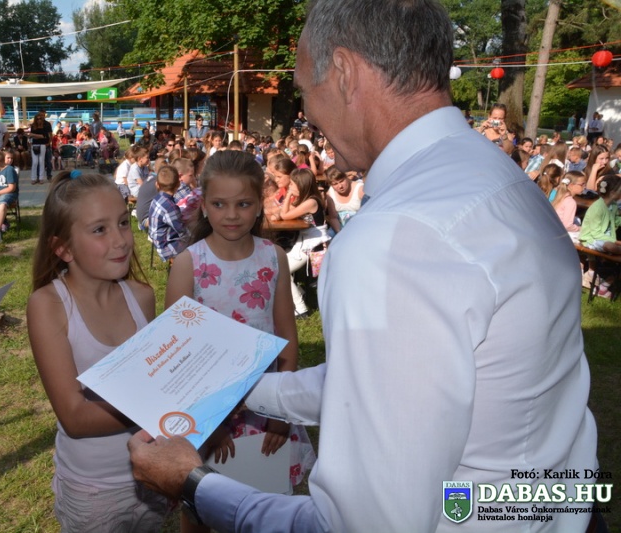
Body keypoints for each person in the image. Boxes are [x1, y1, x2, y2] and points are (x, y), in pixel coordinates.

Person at [128, 1, 599, 532]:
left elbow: (362, 522)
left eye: (305, 90)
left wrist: (195, 485)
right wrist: (243, 391)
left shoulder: (393, 239)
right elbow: (387, 380)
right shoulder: (501, 178)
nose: (307, 114)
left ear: (345, 73)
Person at [164, 150, 315, 530]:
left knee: (269, 509)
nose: (231, 215)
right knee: (199, 509)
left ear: (259, 203)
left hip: (267, 410)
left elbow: (286, 335)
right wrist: (207, 424)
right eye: (219, 204)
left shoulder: (273, 257)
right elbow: (175, 354)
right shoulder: (188, 264)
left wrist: (282, 412)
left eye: (243, 204)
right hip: (207, 412)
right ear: (203, 205)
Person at [26, 170, 169, 532]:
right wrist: (167, 400)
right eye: (99, 230)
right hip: (93, 490)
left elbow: (154, 375)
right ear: (63, 248)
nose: (121, 240)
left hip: (151, 474)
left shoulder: (142, 297)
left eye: (122, 222)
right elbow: (75, 417)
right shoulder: (49, 306)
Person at [272, 167, 330, 318]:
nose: (290, 186)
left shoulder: (311, 201)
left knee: (281, 271)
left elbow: (285, 215)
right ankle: (300, 292)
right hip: (303, 243)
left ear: (301, 185)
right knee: (279, 267)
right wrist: (281, 210)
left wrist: (288, 194)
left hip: (313, 246)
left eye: (292, 184)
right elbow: (284, 211)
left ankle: (301, 309)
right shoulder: (305, 200)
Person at [579, 174, 621, 299]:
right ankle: (603, 284)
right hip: (591, 239)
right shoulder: (597, 207)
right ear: (613, 193)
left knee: (611, 246)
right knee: (610, 246)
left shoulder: (613, 206)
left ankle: (605, 285)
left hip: (605, 239)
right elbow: (595, 233)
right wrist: (615, 242)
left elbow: (614, 222)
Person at [147, 165, 188, 262]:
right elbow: (182, 230)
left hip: (157, 240)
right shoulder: (170, 207)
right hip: (167, 247)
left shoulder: (156, 199)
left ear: (157, 184)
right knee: (198, 242)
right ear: (178, 185)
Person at [325, 166, 365, 233]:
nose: (340, 186)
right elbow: (333, 218)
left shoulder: (360, 190)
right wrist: (339, 232)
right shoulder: (330, 194)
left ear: (347, 177)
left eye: (341, 181)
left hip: (359, 226)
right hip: (340, 227)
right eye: (335, 184)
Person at [551, 170, 586, 242]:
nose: (584, 187)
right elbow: (567, 226)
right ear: (571, 185)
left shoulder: (560, 196)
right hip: (561, 234)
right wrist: (580, 228)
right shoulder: (570, 202)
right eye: (582, 184)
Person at [29, 113, 51, 184]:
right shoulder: (33, 126)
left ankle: (41, 178)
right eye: (37, 119)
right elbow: (31, 136)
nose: (39, 120)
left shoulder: (44, 127)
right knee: (35, 162)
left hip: (42, 145)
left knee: (41, 162)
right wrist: (38, 136)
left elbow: (44, 136)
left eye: (40, 119)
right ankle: (33, 178)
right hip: (34, 145)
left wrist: (34, 135)